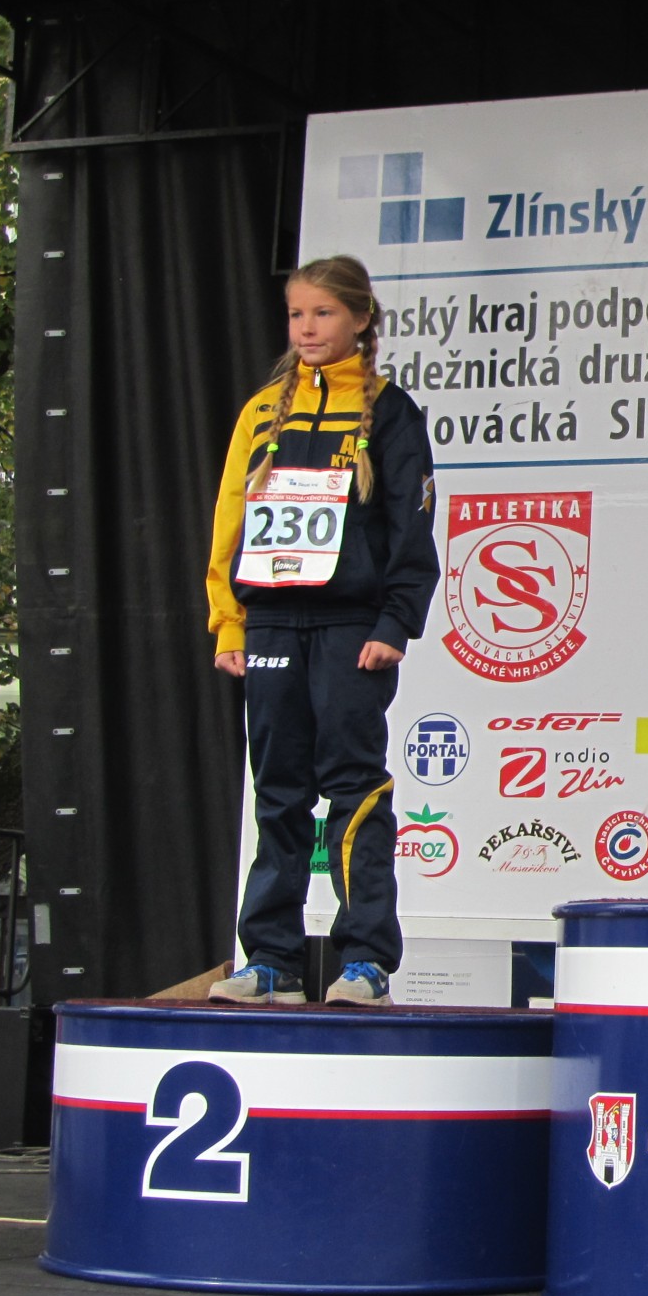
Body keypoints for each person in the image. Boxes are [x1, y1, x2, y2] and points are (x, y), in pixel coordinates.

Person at [205, 255, 440, 1007]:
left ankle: (365, 959)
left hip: (350, 626)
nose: (307, 328)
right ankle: (269, 960)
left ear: (361, 319)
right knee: (277, 792)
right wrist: (229, 622)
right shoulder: (261, 410)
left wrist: (395, 620)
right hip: (272, 622)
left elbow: (411, 522)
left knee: (353, 789)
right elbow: (230, 520)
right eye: (296, 315)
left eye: (323, 313)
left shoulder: (390, 410)